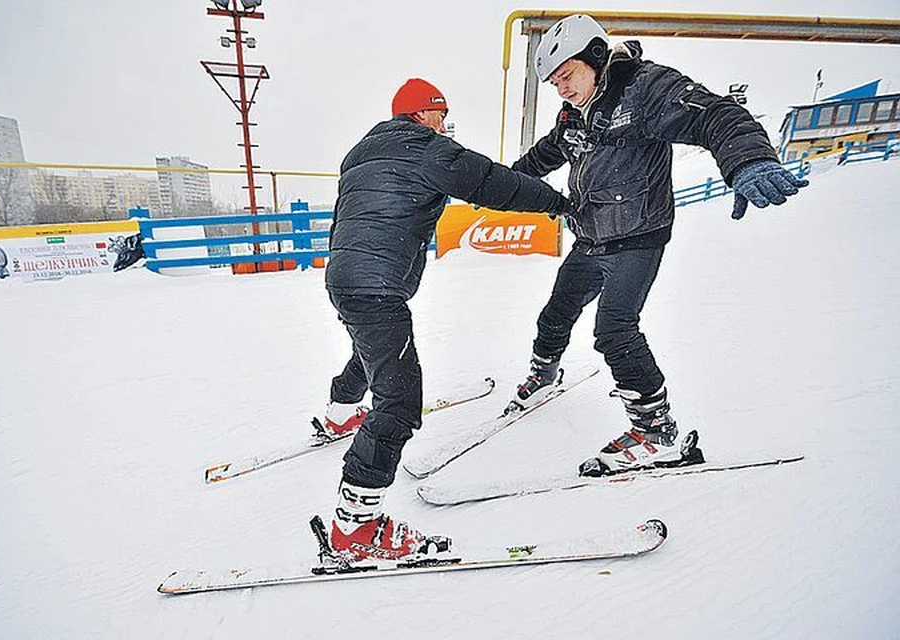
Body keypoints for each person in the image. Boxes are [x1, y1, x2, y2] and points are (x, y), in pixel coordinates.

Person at [508, 15, 809, 477]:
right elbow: (544, 154)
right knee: (555, 314)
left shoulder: (646, 89)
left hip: (636, 240)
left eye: (565, 76)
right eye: (553, 83)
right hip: (589, 237)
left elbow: (716, 116)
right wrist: (498, 183)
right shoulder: (574, 113)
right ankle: (543, 372)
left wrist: (747, 160)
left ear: (593, 57)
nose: (561, 89)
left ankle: (656, 431)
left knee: (614, 331)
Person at [320, 78, 571, 564]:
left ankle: (339, 413)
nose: (445, 123)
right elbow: (495, 183)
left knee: (370, 351)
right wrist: (558, 204)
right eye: (441, 113)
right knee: (398, 401)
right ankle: (355, 530)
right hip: (377, 286)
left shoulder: (360, 153)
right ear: (422, 114)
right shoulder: (428, 149)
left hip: (344, 276)